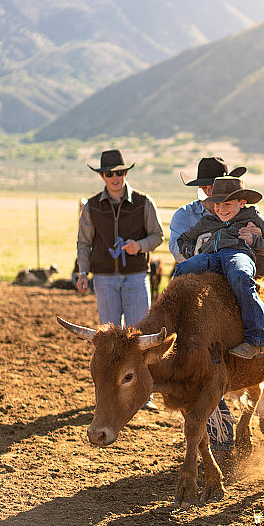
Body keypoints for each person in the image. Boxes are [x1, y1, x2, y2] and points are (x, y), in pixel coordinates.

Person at [169, 156, 247, 456]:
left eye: (216, 186)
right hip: (198, 295)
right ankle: (218, 432)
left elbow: (255, 243)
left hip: (230, 289)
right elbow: (178, 250)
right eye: (206, 187)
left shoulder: (242, 211)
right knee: (200, 360)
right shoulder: (185, 215)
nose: (211, 191)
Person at [76, 149, 164, 410]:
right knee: (109, 341)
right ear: (102, 176)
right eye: (109, 173)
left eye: (120, 172)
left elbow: (158, 236)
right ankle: (109, 395)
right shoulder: (92, 206)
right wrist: (82, 272)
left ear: (126, 173)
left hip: (136, 275)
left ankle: (145, 396)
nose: (115, 177)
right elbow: (84, 242)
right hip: (104, 278)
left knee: (140, 337)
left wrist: (139, 245)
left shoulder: (143, 202)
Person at [174, 175, 264, 359]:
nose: (221, 209)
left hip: (238, 254)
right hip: (210, 257)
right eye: (217, 204)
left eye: (227, 204)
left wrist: (254, 241)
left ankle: (256, 339)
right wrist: (194, 251)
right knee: (184, 268)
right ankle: (175, 325)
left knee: (240, 274)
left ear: (242, 203)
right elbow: (183, 239)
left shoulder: (252, 216)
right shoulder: (208, 221)